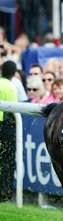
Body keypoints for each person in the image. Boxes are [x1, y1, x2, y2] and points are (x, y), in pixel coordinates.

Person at [0, 61, 18, 201]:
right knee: (7, 161)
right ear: (14, 73)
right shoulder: (12, 86)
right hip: (6, 127)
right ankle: (4, 193)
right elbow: (14, 111)